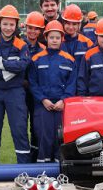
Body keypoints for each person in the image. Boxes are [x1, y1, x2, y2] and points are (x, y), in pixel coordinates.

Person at [0, 5, 31, 164]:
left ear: (16, 25)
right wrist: (10, 70)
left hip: (15, 93)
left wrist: (1, 63)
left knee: (19, 131)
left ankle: (24, 170)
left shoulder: (21, 45)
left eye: (11, 24)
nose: (8, 28)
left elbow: (23, 66)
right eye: (5, 24)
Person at [28, 20, 76, 163]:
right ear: (46, 38)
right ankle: (43, 169)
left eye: (57, 38)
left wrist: (64, 100)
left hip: (62, 106)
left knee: (60, 137)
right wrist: (43, 99)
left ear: (62, 39)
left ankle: (58, 168)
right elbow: (33, 83)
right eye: (51, 37)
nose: (54, 40)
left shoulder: (69, 60)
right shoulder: (36, 59)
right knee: (44, 136)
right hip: (42, 105)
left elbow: (72, 83)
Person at [23, 11, 46, 162]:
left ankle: (35, 158)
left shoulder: (44, 49)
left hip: (37, 94)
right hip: (20, 92)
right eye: (30, 27)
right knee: (21, 126)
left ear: (41, 30)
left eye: (36, 28)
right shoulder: (18, 45)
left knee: (36, 127)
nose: (33, 31)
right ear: (25, 27)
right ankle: (24, 159)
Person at [61, 4, 93, 73]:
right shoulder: (58, 42)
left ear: (79, 24)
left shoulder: (87, 43)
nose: (71, 27)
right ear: (63, 23)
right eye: (68, 23)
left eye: (74, 24)